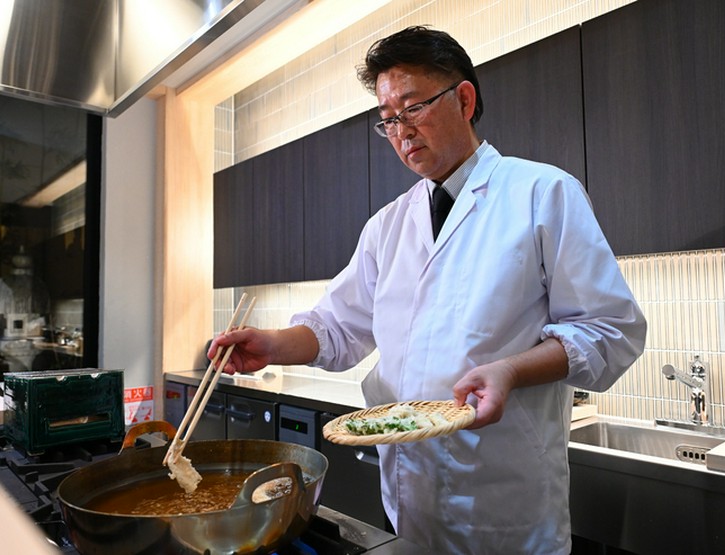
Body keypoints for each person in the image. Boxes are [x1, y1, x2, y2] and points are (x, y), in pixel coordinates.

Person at [208, 25, 646, 554]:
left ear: (464, 100)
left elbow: (609, 330)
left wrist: (510, 370)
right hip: (411, 502)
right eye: (388, 119)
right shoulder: (387, 225)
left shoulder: (542, 193)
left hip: (504, 505)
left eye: (413, 108)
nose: (401, 131)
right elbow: (338, 327)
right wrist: (272, 344)